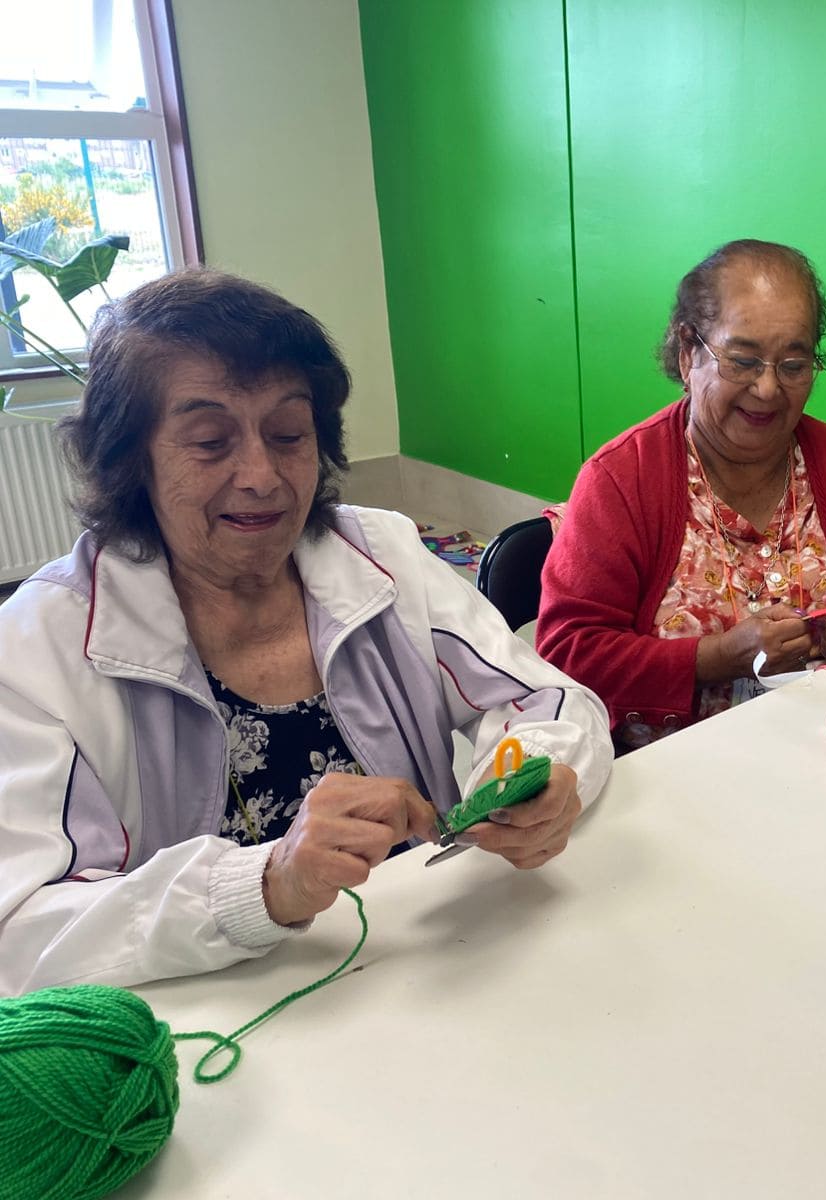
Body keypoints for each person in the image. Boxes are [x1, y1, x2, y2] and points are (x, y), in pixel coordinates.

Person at [0, 270, 613, 994]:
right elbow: (23, 931)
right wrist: (265, 884)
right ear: (130, 459)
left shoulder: (381, 556)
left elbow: (548, 701)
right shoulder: (40, 646)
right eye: (210, 441)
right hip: (217, 1024)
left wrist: (533, 775)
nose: (262, 475)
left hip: (434, 965)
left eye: (288, 434)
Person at [537, 239, 826, 748]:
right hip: (670, 771)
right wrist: (718, 656)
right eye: (743, 361)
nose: (768, 389)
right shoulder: (621, 480)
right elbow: (567, 654)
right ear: (688, 353)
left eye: (794, 366)